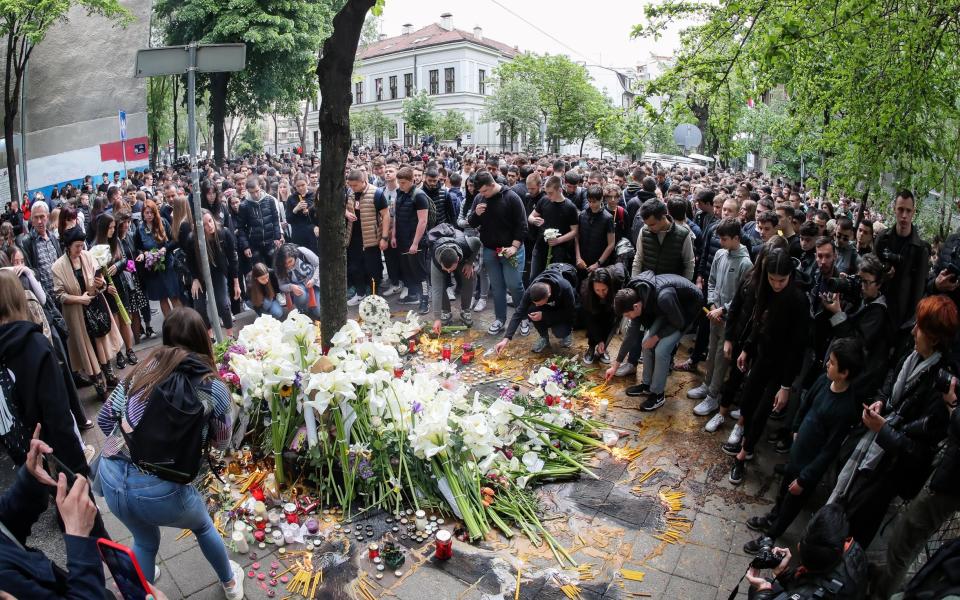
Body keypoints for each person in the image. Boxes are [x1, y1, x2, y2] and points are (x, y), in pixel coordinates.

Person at [96, 307, 243, 597]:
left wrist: (135, 431)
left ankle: (142, 587)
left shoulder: (141, 369)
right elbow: (222, 443)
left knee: (145, 539)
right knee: (201, 524)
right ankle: (230, 583)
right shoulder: (213, 387)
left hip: (110, 476)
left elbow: (103, 420)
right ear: (204, 339)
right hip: (160, 489)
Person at [830, 294, 958, 548]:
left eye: (919, 328)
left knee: (856, 526)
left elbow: (919, 450)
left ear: (933, 338)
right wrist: (881, 402)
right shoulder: (910, 359)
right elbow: (890, 386)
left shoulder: (940, 387)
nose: (913, 332)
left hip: (885, 472)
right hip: (869, 451)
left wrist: (884, 430)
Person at [743, 338, 864, 554]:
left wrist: (805, 478)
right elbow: (805, 405)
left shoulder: (845, 409)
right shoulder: (823, 381)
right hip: (797, 453)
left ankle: (770, 536)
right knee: (782, 492)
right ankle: (772, 517)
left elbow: (829, 450)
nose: (828, 363)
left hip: (809, 467)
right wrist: (796, 428)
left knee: (792, 503)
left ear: (845, 372)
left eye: (833, 362)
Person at [725, 248, 811, 485]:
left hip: (783, 364)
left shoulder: (798, 300)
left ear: (790, 276)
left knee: (764, 409)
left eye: (781, 280)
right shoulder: (764, 287)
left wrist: (786, 385)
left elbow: (797, 346)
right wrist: (748, 348)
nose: (776, 285)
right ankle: (743, 435)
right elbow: (758, 321)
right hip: (763, 354)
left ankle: (744, 454)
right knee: (749, 396)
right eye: (772, 279)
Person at [604, 270, 703, 411]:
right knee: (646, 343)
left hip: (687, 310)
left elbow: (679, 322)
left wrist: (657, 337)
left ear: (636, 307)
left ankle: (658, 394)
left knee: (661, 350)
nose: (629, 317)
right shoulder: (634, 297)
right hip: (667, 309)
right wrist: (616, 365)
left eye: (628, 315)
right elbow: (630, 336)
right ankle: (647, 385)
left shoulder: (662, 297)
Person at [688, 218, 753, 420]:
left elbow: (741, 298)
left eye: (724, 239)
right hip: (714, 313)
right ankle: (707, 384)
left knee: (721, 357)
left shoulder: (746, 263)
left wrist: (723, 309)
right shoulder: (719, 254)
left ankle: (714, 395)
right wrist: (712, 303)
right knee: (711, 352)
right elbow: (712, 280)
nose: (721, 243)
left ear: (736, 238)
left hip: (729, 320)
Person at [53, 227, 123, 399]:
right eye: (77, 246)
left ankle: (109, 376)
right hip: (77, 314)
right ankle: (99, 385)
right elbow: (59, 295)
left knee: (101, 342)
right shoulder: (58, 267)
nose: (80, 249)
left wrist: (101, 284)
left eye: (82, 245)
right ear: (68, 246)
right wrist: (79, 299)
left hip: (95, 307)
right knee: (88, 348)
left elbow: (100, 283)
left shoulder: (87, 256)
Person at [744, 504, 868, 600]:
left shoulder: (811, 595)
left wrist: (763, 591)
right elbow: (811, 581)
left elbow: (807, 589)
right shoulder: (853, 550)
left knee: (756, 590)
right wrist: (783, 573)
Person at [467, 170, 527, 335]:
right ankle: (500, 319)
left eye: (485, 191)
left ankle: (522, 318)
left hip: (510, 250)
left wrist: (514, 247)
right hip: (490, 250)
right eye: (480, 192)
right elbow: (471, 223)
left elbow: (522, 225)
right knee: (498, 287)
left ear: (492, 184)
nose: (482, 195)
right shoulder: (480, 198)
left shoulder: (511, 197)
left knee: (515, 285)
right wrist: (476, 214)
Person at [874, 190, 930, 329]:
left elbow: (918, 292)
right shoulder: (882, 238)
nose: (904, 215)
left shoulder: (920, 250)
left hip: (899, 318)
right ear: (894, 209)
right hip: (876, 309)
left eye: (908, 210)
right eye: (900, 209)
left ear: (913, 212)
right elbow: (870, 270)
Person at [494, 264, 578, 355]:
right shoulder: (531, 289)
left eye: (538, 303)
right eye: (535, 302)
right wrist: (506, 339)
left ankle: (567, 334)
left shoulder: (565, 288)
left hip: (562, 309)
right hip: (547, 308)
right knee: (531, 309)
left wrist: (545, 315)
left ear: (548, 295)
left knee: (560, 332)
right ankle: (544, 337)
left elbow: (570, 312)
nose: (536, 305)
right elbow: (519, 312)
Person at [93, 214, 138, 369]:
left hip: (120, 283)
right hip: (107, 288)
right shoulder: (95, 245)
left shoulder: (116, 241)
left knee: (125, 318)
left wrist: (117, 266)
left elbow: (124, 259)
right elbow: (94, 271)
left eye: (113, 227)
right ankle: (118, 352)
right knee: (115, 321)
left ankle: (129, 349)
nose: (112, 230)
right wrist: (104, 283)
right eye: (110, 227)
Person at [185, 209, 240, 336]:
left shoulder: (224, 233)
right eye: (204, 224)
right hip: (200, 274)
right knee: (199, 307)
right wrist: (195, 279)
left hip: (218, 271)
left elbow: (232, 259)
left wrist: (236, 283)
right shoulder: (192, 239)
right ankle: (210, 337)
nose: (209, 226)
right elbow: (190, 261)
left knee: (223, 304)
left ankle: (230, 335)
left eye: (210, 221)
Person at [344, 170, 390, 304]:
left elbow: (386, 216)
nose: (352, 188)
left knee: (373, 268)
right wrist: (347, 213)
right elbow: (343, 207)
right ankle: (360, 293)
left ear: (363, 182)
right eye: (350, 185)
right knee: (355, 267)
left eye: (355, 185)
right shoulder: (349, 193)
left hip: (371, 238)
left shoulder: (376, 193)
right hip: (353, 237)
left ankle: (375, 296)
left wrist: (384, 237)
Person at [428, 223, 480, 333]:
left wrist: (470, 263)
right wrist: (437, 318)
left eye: (450, 269)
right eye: (445, 269)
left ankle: (465, 310)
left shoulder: (467, 244)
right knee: (438, 284)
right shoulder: (436, 260)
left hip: (460, 248)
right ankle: (445, 311)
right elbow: (436, 290)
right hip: (443, 253)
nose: (448, 272)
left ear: (457, 259)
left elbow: (477, 242)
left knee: (469, 275)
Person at [133, 200, 181, 318]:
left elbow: (174, 240)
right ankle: (172, 327)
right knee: (162, 298)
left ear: (155, 213)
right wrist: (144, 254)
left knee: (173, 295)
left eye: (151, 213)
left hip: (167, 264)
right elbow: (138, 248)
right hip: (153, 268)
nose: (149, 215)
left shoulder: (163, 223)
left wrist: (165, 248)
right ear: (143, 213)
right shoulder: (139, 229)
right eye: (146, 212)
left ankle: (182, 322)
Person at [392, 166, 430, 314]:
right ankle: (413, 295)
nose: (400, 185)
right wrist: (394, 235)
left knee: (420, 273)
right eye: (399, 182)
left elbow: (423, 221)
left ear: (411, 180)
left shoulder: (419, 196)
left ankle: (425, 300)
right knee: (408, 271)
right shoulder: (400, 193)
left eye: (403, 183)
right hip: (402, 239)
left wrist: (415, 243)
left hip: (416, 242)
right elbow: (397, 216)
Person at [527, 175, 579, 280]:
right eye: (546, 193)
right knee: (534, 277)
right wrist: (533, 220)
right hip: (540, 246)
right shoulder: (544, 200)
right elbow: (530, 216)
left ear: (560, 190)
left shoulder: (570, 207)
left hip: (559, 251)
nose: (548, 196)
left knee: (554, 279)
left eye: (551, 193)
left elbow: (575, 231)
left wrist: (558, 240)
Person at [632, 198, 695, 280]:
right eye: (647, 224)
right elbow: (638, 259)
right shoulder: (644, 231)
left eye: (652, 224)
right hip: (647, 284)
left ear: (663, 217)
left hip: (672, 286)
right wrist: (634, 281)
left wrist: (685, 287)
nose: (649, 228)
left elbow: (689, 264)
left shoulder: (683, 234)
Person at [580, 263, 625, 365]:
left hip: (611, 300)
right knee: (595, 319)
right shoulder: (586, 291)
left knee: (609, 321)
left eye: (604, 289)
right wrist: (598, 339)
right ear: (592, 288)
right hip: (593, 304)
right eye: (597, 290)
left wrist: (603, 341)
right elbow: (590, 320)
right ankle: (591, 347)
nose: (601, 293)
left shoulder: (617, 280)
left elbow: (614, 319)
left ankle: (603, 348)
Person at [17, 202, 60, 303]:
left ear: (48, 217)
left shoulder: (53, 237)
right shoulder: (27, 242)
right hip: (45, 298)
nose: (39, 221)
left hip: (60, 293)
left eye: (42, 217)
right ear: (31, 219)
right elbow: (30, 270)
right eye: (36, 218)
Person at [236, 177, 283, 267]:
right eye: (252, 192)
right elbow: (241, 227)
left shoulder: (270, 200)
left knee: (275, 270)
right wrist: (246, 246)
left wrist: (277, 237)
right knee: (260, 273)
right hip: (254, 244)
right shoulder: (244, 205)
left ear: (260, 187)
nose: (255, 194)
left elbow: (275, 220)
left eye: (257, 191)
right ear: (248, 191)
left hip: (270, 242)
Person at [575, 185, 615, 279]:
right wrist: (578, 257)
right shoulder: (582, 215)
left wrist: (598, 263)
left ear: (601, 199)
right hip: (582, 261)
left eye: (594, 202)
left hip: (599, 263)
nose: (591, 204)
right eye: (589, 201)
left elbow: (611, 244)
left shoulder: (608, 218)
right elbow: (577, 237)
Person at [274, 243, 321, 321]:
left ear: (294, 255)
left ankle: (314, 306)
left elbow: (319, 263)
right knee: (301, 295)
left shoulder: (302, 252)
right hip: (299, 286)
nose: (288, 265)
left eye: (290, 261)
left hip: (315, 282)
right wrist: (291, 287)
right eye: (285, 263)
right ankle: (303, 310)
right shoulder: (279, 266)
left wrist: (314, 279)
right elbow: (281, 286)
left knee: (318, 313)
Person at [286, 176, 317, 255]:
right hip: (298, 234)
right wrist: (295, 210)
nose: (300, 188)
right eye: (298, 186)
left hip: (312, 233)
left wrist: (309, 211)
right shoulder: (291, 198)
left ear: (307, 183)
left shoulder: (314, 195)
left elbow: (319, 215)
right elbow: (289, 220)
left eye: (303, 185)